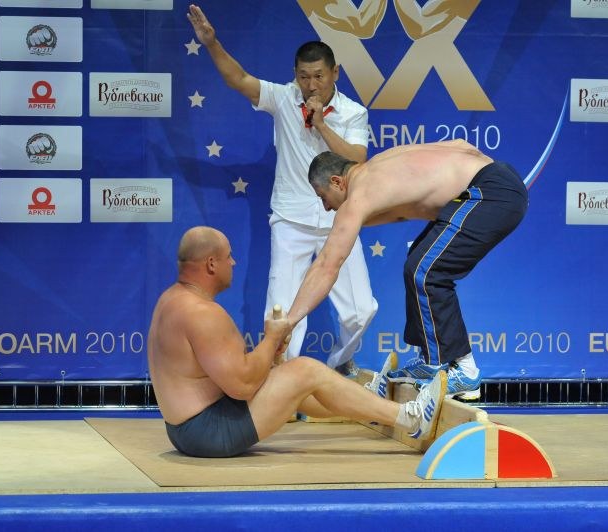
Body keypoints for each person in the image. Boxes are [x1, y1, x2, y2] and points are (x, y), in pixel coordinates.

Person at [186, 5, 378, 375]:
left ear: (334, 73)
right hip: (290, 221)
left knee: (361, 310)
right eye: (304, 77)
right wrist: (211, 44)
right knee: (283, 311)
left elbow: (357, 158)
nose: (311, 85)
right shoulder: (282, 97)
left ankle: (340, 365)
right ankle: (281, 382)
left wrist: (321, 124)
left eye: (319, 76)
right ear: (295, 76)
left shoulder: (353, 113)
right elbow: (238, 78)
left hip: (341, 219)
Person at [146, 226, 446, 458]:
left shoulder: (172, 300)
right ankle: (411, 419)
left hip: (188, 429)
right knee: (304, 370)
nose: (233, 262)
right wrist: (272, 338)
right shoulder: (201, 313)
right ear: (212, 264)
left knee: (294, 382)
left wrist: (268, 351)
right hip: (206, 432)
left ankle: (370, 402)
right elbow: (243, 385)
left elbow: (227, 373)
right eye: (229, 256)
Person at [286, 140, 529, 400]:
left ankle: (466, 371)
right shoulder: (380, 167)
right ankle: (430, 359)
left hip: (490, 191)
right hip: (496, 179)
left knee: (426, 271)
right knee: (417, 261)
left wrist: (289, 322)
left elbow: (326, 265)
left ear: (337, 181)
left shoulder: (361, 192)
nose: (326, 207)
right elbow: (460, 144)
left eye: (323, 197)